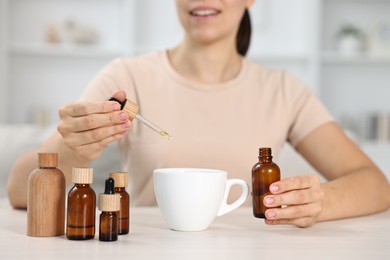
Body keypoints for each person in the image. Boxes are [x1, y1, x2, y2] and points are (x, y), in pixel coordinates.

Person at [7, 0, 390, 228]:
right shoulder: (126, 77)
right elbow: (19, 190)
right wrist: (75, 147)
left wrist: (321, 201)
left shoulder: (284, 90)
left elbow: (374, 184)